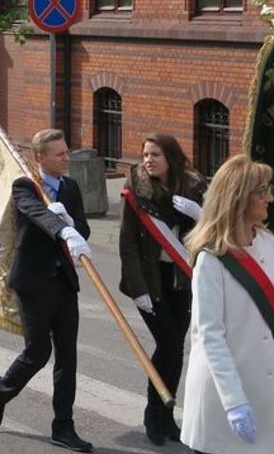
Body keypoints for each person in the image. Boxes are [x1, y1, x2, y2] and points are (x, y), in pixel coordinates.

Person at [0, 129, 93, 452]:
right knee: (37, 353)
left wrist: (71, 223)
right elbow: (36, 213)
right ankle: (1, 389)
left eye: (66, 151)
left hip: (63, 283)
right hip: (33, 283)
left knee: (67, 356)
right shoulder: (24, 186)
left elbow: (83, 229)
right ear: (39, 157)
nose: (66, 157)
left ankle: (63, 426)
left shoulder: (69, 187)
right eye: (59, 153)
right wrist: (57, 221)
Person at [180, 154, 274, 454]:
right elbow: (209, 336)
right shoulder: (212, 259)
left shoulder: (269, 243)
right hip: (224, 399)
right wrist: (235, 402)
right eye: (261, 191)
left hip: (268, 392)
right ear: (239, 198)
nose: (269, 197)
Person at [118, 134, 206, 445]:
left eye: (155, 154)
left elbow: (211, 234)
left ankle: (167, 418)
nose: (148, 160)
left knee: (175, 347)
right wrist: (138, 289)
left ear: (171, 157)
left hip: (181, 279)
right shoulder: (136, 191)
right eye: (145, 155)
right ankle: (153, 413)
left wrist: (200, 215)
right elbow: (128, 245)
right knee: (167, 343)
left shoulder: (194, 188)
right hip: (150, 280)